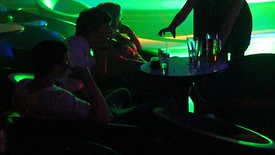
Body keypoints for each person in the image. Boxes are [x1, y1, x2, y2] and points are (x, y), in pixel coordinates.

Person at [13, 40, 175, 125]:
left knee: (123, 92)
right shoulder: (59, 98)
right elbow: (104, 118)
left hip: (85, 114)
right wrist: (88, 79)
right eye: (65, 63)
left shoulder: (22, 86)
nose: (68, 66)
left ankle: (127, 112)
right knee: (167, 102)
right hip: (106, 125)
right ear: (55, 68)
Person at [159, 0, 252, 60]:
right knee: (218, 55)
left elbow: (228, 24)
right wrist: (173, 25)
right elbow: (186, 9)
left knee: (236, 55)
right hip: (220, 16)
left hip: (240, 21)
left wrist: (217, 48)